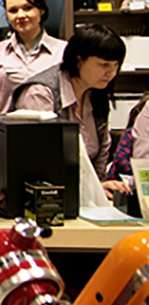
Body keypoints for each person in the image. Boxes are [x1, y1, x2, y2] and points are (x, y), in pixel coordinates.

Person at [10, 23, 128, 203]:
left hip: (83, 199)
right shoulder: (40, 93)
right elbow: (41, 162)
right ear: (79, 60)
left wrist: (98, 186)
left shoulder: (96, 92)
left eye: (116, 65)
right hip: (42, 201)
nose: (111, 73)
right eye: (104, 65)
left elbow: (101, 151)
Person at [0, 0, 66, 117]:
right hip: (6, 134)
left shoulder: (63, 51)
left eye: (28, 8)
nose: (21, 15)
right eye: (13, 11)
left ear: (41, 10)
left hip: (52, 133)